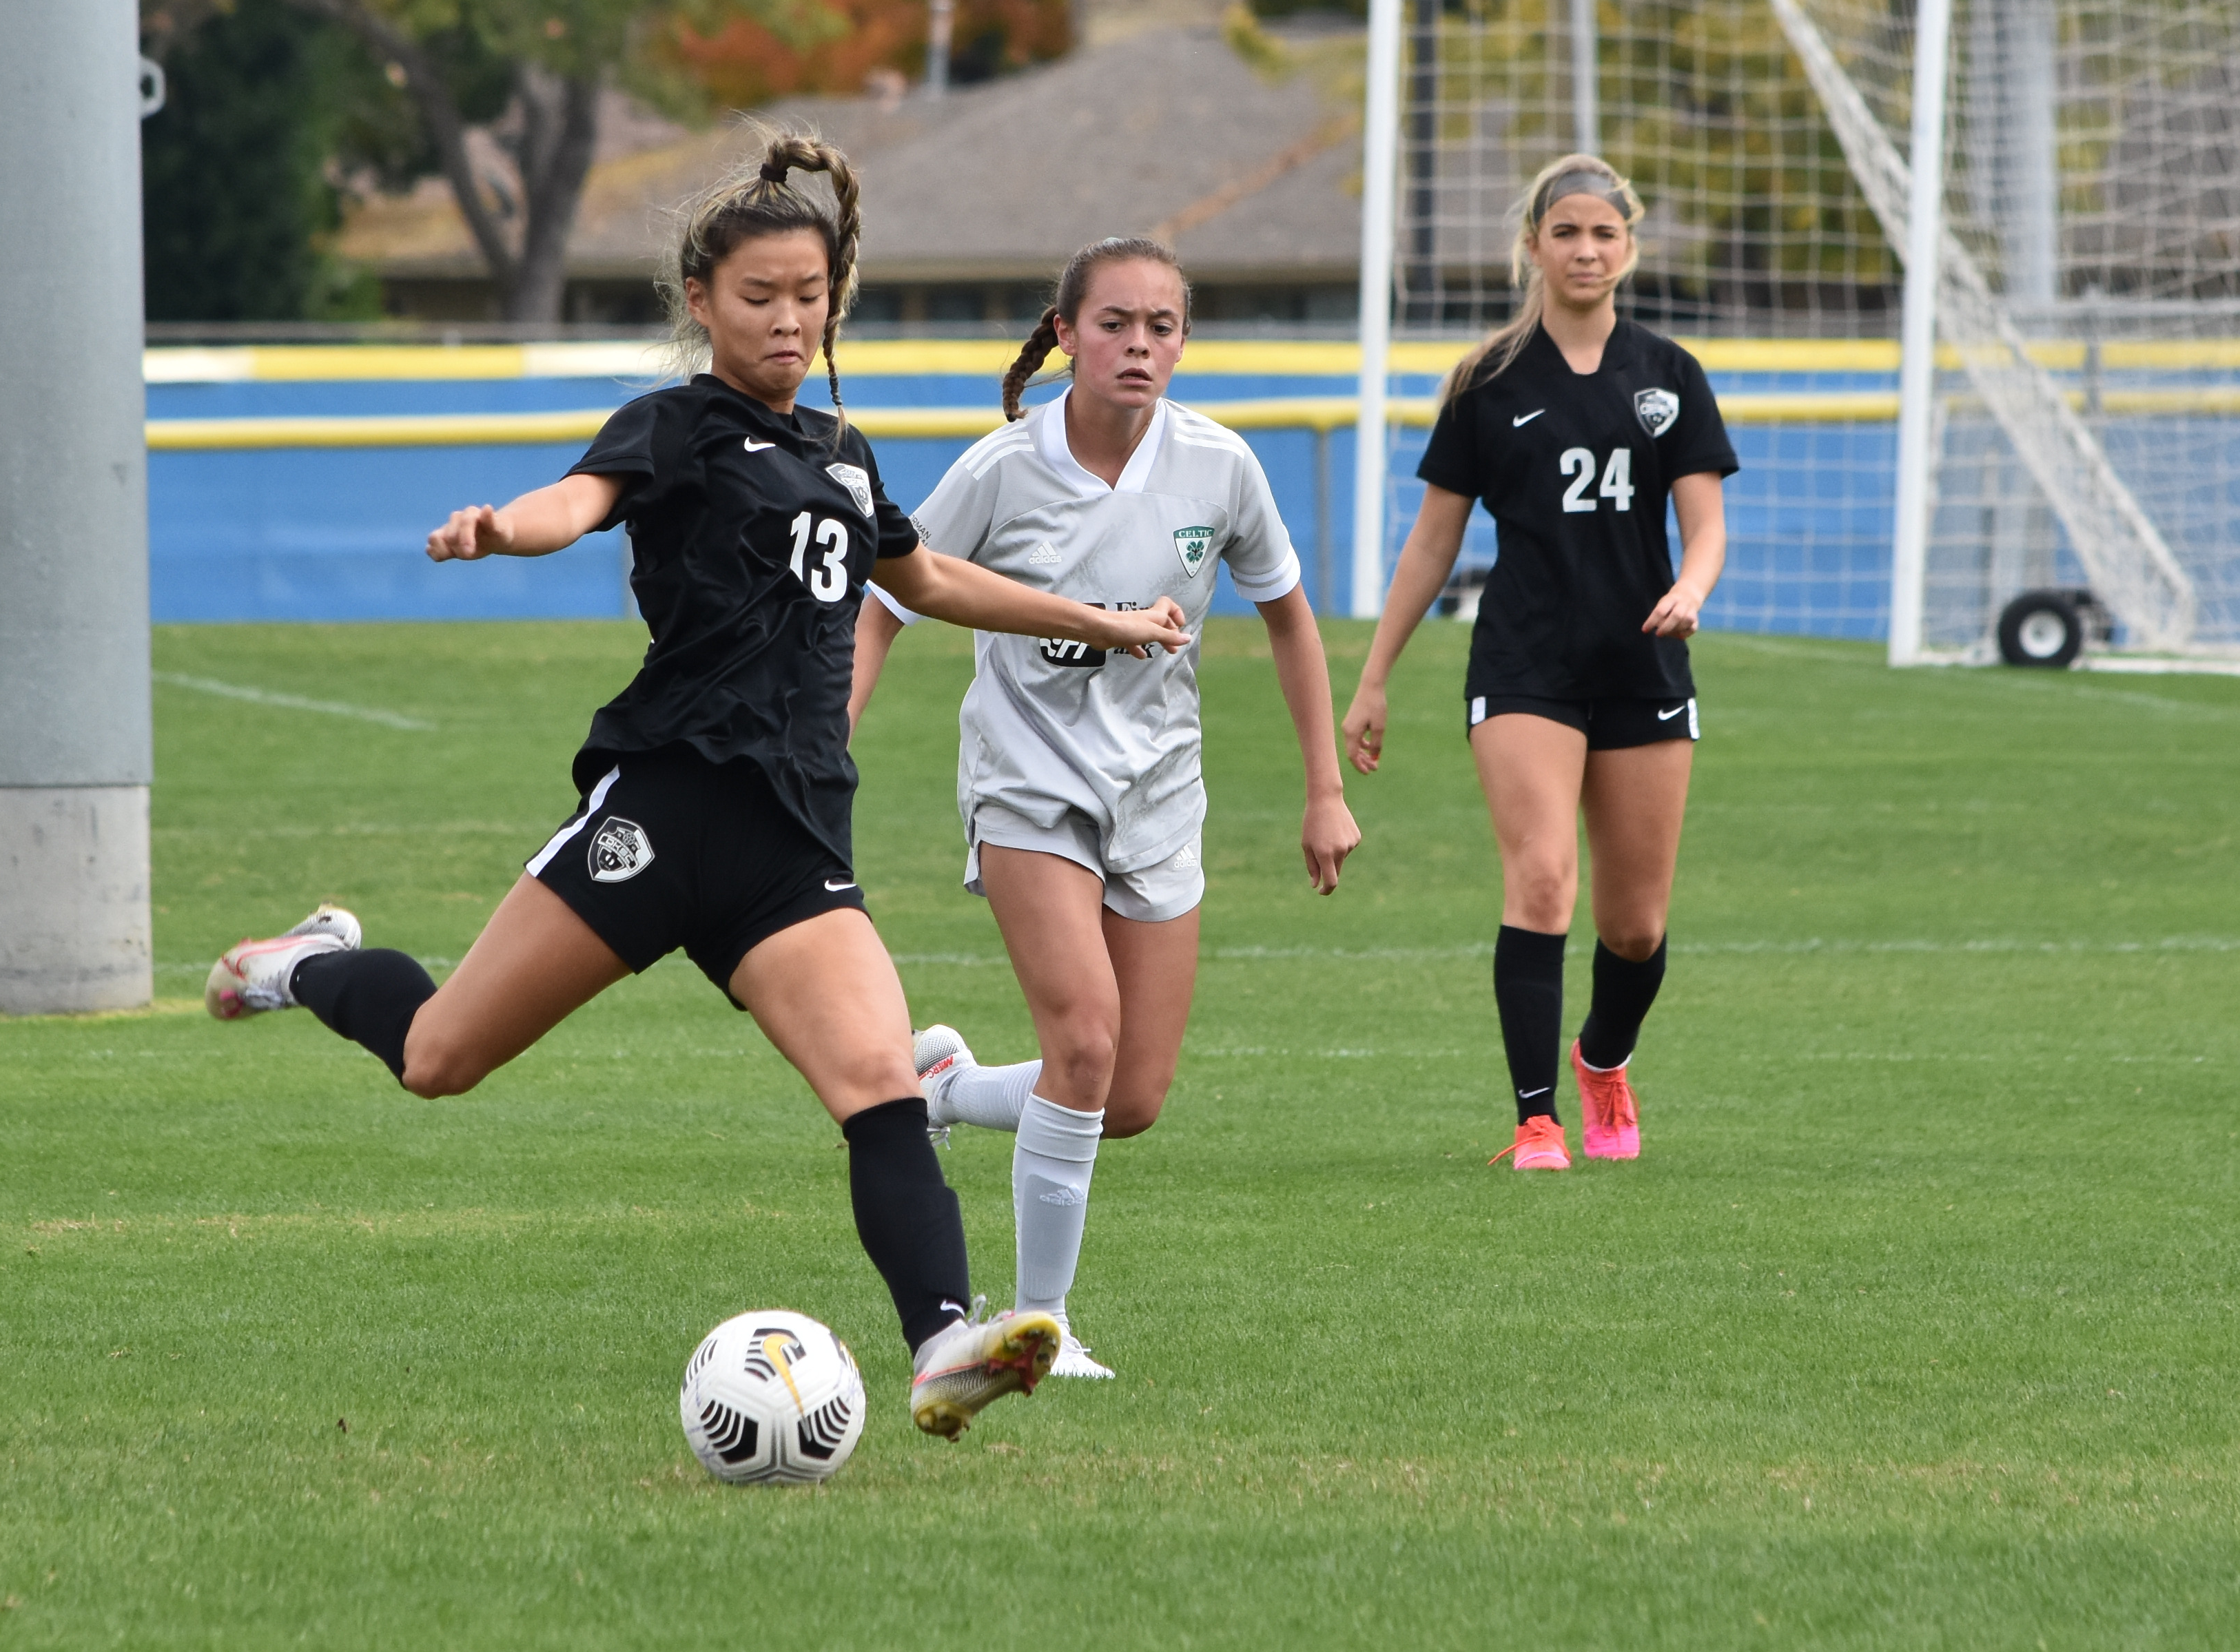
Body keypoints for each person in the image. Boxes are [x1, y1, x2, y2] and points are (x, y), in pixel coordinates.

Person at [200, 136, 1191, 1441]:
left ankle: (944, 1340)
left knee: (881, 1090)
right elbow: (576, 499)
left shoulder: (841, 451)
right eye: (758, 296)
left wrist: (1104, 621)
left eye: (808, 293)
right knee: (439, 1057)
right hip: (660, 810)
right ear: (700, 302)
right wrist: (505, 526)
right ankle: (296, 964)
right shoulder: (670, 426)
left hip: (790, 844)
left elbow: (931, 580)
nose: (788, 317)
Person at [850, 235, 1359, 1376]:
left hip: (1159, 792)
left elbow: (1287, 618)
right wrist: (832, 726)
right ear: (1066, 332)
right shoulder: (1001, 468)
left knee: (1127, 1094)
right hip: (1027, 782)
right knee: (1081, 1040)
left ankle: (944, 1086)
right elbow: (889, 598)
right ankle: (1040, 1324)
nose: (1138, 345)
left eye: (1161, 326)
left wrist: (1323, 789)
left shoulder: (1219, 467)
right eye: (1115, 323)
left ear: (1183, 340)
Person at [1341, 156, 1734, 1170]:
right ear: (1533, 245)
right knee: (1543, 880)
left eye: (1604, 233)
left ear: (1629, 248)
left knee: (1636, 927)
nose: (1586, 249)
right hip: (1522, 666)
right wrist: (1375, 674)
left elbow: (1704, 524)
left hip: (1641, 667)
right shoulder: (1486, 382)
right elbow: (1432, 542)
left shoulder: (1668, 374)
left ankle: (1602, 1059)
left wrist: (1690, 589)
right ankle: (1536, 1119)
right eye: (1566, 231)